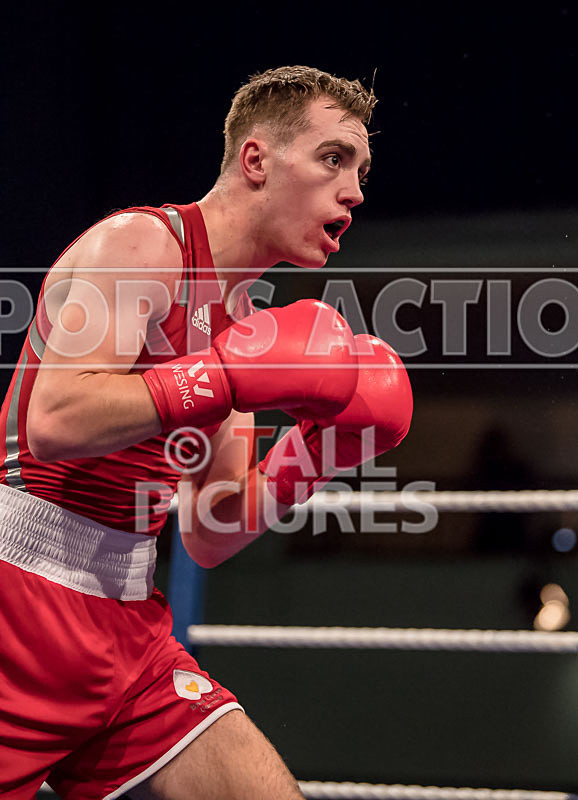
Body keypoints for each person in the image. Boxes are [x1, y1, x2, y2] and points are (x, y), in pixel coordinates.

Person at [0, 66, 413, 799]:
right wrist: (219, 376)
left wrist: (320, 452)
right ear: (256, 160)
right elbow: (55, 420)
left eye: (361, 169)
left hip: (129, 633)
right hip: (17, 612)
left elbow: (210, 530)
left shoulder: (248, 330)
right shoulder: (139, 246)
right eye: (333, 159)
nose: (354, 190)